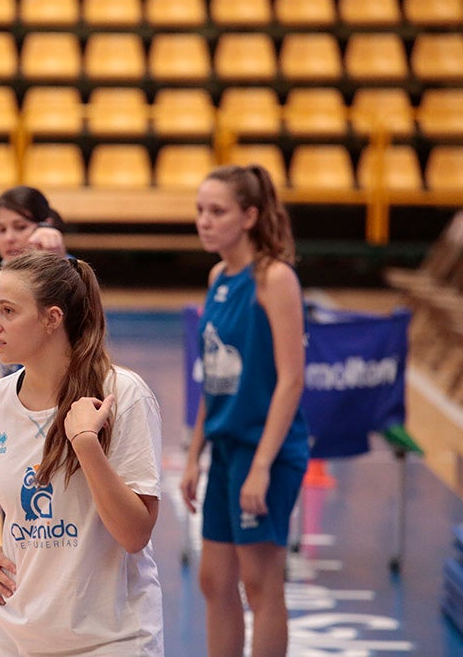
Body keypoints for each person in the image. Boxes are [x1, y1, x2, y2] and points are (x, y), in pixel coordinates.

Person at [0, 250, 164, 655]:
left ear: (52, 318)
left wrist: (86, 446)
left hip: (110, 639)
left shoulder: (121, 395)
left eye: (8, 311)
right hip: (15, 637)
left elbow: (134, 534)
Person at [179, 164, 308, 657]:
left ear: (250, 216)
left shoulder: (275, 279)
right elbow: (215, 377)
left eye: (218, 211)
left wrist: (260, 467)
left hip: (266, 451)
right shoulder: (218, 276)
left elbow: (292, 379)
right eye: (200, 211)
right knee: (215, 580)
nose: (205, 221)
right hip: (226, 448)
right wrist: (194, 455)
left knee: (260, 581)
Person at [0, 185, 67, 263]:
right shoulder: (0, 272)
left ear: (47, 226)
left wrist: (58, 265)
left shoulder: (73, 271)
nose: (9, 238)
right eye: (2, 230)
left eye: (21, 227)